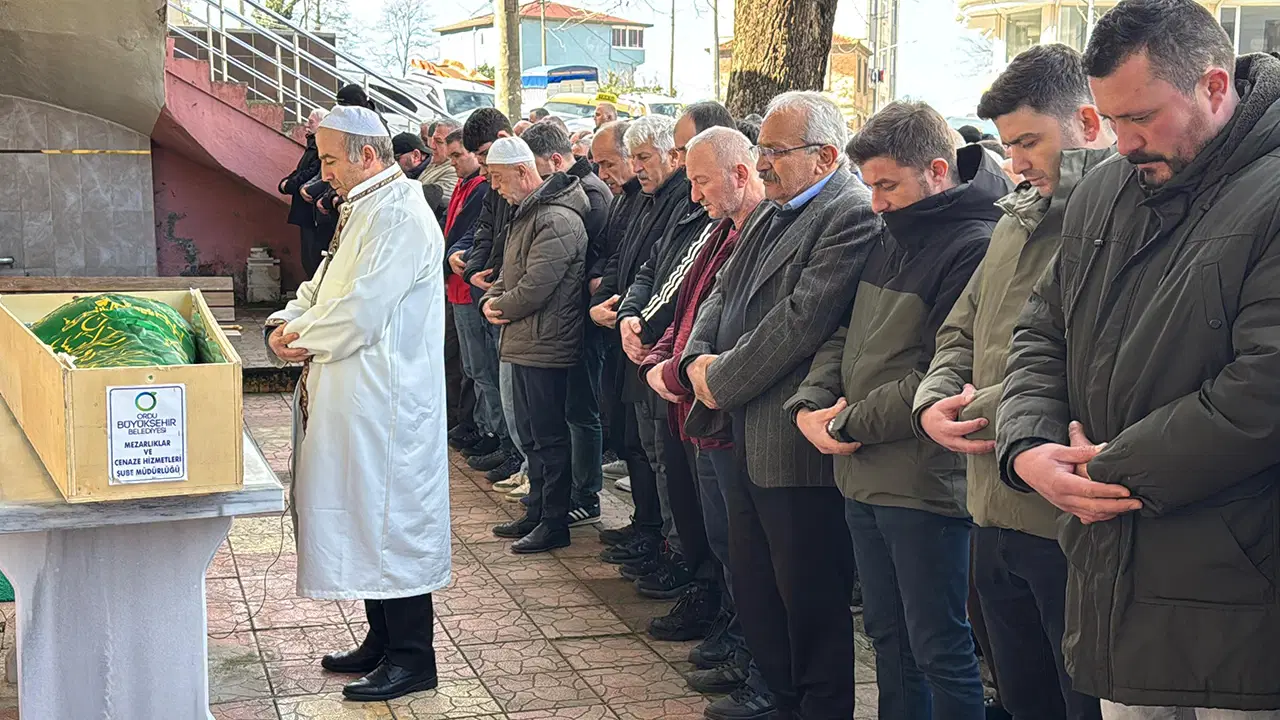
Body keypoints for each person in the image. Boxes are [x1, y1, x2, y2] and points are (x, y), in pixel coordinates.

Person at [997, 0, 1280, 716]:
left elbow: (1261, 390)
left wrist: (1100, 471)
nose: (1122, 143)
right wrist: (1028, 446)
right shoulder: (1105, 190)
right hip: (1113, 576)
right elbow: (1040, 333)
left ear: (1215, 88)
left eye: (1141, 117)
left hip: (1242, 599)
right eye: (1112, 120)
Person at [787, 100, 1005, 719]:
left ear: (937, 171)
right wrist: (813, 400)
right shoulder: (891, 232)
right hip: (863, 471)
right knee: (888, 637)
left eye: (887, 185)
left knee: (938, 645)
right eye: (871, 185)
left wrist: (845, 422)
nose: (875, 201)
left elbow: (941, 373)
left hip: (924, 481)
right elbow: (844, 332)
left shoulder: (975, 243)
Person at [914, 43, 1113, 720]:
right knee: (1022, 697)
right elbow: (960, 328)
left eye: (1029, 141)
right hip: (989, 507)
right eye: (1008, 144)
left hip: (1059, 520)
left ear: (1089, 124)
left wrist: (974, 410)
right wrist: (934, 400)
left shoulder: (1112, 218)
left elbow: (1079, 358)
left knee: (1075, 702)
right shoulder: (1017, 216)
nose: (1014, 162)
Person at [680, 91, 880, 719]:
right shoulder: (772, 210)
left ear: (825, 155)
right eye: (760, 149)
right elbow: (719, 289)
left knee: (809, 594)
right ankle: (777, 696)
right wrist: (694, 360)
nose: (761, 162)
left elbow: (802, 321)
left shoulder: (848, 214)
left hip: (792, 440)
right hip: (742, 426)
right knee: (758, 584)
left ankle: (816, 708)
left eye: (774, 150)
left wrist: (721, 379)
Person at [264, 105, 448, 702]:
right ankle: (380, 639)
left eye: (331, 159)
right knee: (364, 515)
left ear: (369, 156)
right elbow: (323, 285)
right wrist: (285, 319)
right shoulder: (363, 207)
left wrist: (300, 338)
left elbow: (361, 311)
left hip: (387, 404)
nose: (323, 173)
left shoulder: (400, 215)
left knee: (390, 521)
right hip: (356, 396)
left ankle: (413, 657)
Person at [639, 125, 777, 719]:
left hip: (731, 410)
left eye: (699, 181)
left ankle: (755, 652)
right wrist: (673, 355)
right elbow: (696, 304)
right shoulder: (724, 230)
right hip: (702, 403)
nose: (693, 196)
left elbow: (767, 329)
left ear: (739, 173)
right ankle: (738, 634)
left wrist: (690, 372)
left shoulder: (760, 229)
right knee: (726, 541)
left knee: (748, 550)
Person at [615, 102, 733, 631]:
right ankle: (694, 575)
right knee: (683, 489)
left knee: (721, 520)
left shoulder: (729, 217)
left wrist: (672, 359)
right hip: (675, 371)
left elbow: (704, 299)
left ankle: (714, 598)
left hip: (707, 387)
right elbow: (654, 270)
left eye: (687, 155)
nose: (688, 178)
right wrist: (632, 314)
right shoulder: (687, 208)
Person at [591, 115, 689, 588]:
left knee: (662, 457)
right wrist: (616, 303)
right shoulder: (645, 200)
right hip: (635, 336)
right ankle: (654, 532)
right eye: (632, 159)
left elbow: (677, 275)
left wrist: (641, 321)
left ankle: (670, 548)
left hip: (658, 344)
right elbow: (638, 264)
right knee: (642, 446)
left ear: (673, 154)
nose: (636, 168)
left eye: (643, 157)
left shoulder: (679, 201)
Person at [481, 136, 590, 554]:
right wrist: (494, 298)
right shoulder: (530, 214)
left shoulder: (557, 219)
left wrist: (499, 306)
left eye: (498, 178)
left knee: (548, 437)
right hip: (527, 339)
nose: (495, 187)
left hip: (547, 343)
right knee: (531, 434)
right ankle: (538, 508)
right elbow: (512, 274)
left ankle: (554, 521)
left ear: (525, 172)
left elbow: (536, 287)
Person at [522, 122, 612, 522]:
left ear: (555, 160)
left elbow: (589, 259)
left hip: (583, 319)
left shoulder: (591, 194)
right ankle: (568, 488)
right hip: (571, 317)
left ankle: (586, 492)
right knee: (568, 410)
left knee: (581, 410)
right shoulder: (576, 190)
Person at [456, 109, 519, 473]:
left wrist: (494, 279)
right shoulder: (493, 185)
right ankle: (504, 444)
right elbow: (483, 231)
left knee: (512, 392)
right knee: (484, 374)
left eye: (482, 154)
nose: (482, 167)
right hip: (487, 292)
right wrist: (470, 266)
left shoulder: (520, 185)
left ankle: (516, 455)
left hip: (510, 302)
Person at [441, 129, 491, 459]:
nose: (455, 163)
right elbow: (459, 233)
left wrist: (457, 257)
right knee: (471, 367)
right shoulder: (465, 185)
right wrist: (452, 254)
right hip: (457, 286)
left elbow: (473, 233)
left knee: (482, 370)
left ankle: (490, 431)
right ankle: (475, 424)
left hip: (470, 288)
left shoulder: (482, 187)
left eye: (459, 155)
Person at [279, 107, 328, 276]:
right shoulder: (313, 146)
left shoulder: (321, 147)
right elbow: (301, 171)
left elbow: (314, 173)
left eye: (311, 122)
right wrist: (286, 183)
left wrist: (293, 186)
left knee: (313, 257)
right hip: (307, 210)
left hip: (312, 210)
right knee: (308, 256)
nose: (306, 125)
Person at [422, 118, 462, 225]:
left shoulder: (455, 170)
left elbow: (435, 200)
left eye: (439, 142)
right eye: (432, 140)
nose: (432, 146)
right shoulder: (435, 161)